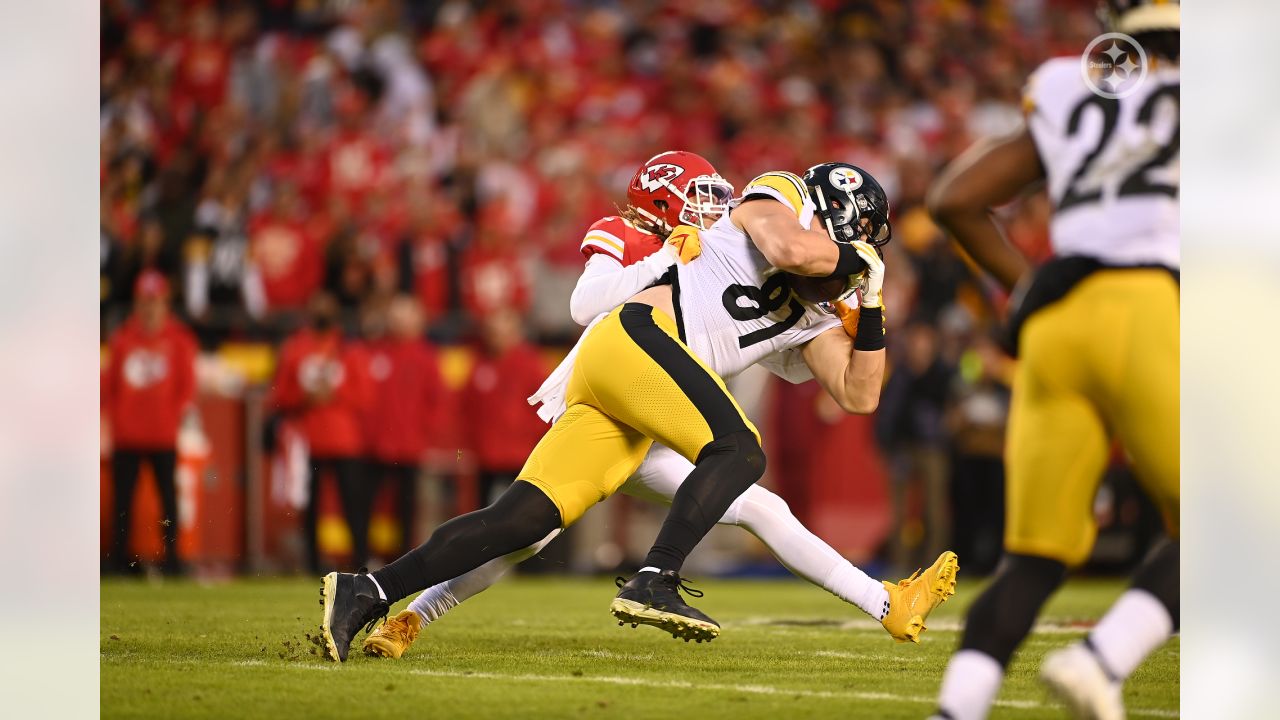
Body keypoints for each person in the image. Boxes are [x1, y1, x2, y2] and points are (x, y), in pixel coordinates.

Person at [319, 156, 955, 662]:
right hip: (633, 341)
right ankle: (655, 577)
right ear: (837, 218)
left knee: (522, 522)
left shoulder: (814, 312)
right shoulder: (777, 196)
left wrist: (871, 308)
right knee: (739, 449)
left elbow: (858, 393)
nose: (863, 259)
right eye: (863, 242)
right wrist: (855, 261)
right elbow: (790, 250)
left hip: (637, 395)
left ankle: (367, 593)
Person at [925, 2, 1180, 717]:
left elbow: (954, 198)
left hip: (1057, 321)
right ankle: (1102, 659)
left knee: (1034, 558)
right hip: (1152, 310)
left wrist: (1027, 287)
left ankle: (958, 706)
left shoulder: (1075, 84)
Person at [102, 270, 197, 575]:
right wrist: (115, 420)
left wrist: (172, 416)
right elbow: (108, 386)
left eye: (154, 301)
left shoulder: (179, 340)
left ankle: (173, 560)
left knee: (168, 501)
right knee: (122, 503)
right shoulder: (122, 339)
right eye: (145, 301)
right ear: (137, 303)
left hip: (162, 435)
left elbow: (187, 387)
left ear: (165, 303)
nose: (149, 308)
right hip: (128, 435)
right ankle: (119, 561)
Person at [270, 293, 373, 572]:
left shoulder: (349, 349)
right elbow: (280, 395)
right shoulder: (295, 348)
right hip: (309, 440)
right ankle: (312, 564)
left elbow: (365, 395)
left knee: (353, 507)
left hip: (345, 440)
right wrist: (305, 397)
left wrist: (334, 393)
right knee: (310, 508)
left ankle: (361, 562)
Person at [362, 295, 450, 557]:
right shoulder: (376, 352)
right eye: (397, 314)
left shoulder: (426, 357)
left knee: (407, 510)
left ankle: (401, 560)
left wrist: (426, 436)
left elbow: (437, 402)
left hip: (410, 447)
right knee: (369, 507)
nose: (400, 321)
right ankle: (366, 555)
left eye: (407, 315)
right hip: (376, 446)